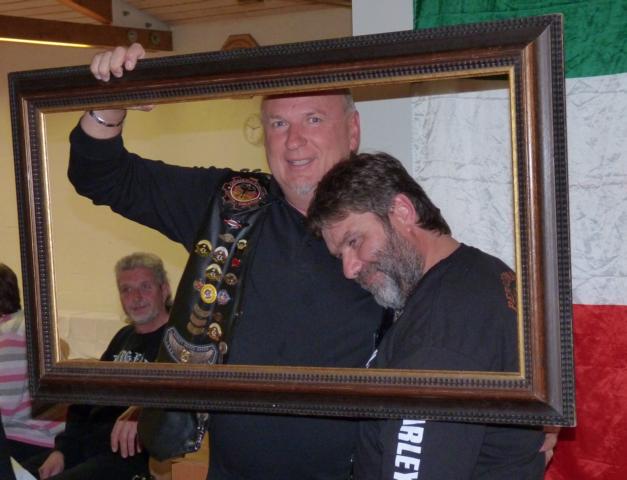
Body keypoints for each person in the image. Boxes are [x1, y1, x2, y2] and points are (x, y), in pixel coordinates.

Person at [74, 44, 554, 478]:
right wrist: (109, 101)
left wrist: (531, 409)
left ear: (353, 130)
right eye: (278, 124)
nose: (294, 141)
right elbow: (102, 175)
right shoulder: (231, 207)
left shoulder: (391, 226)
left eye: (314, 119)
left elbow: (471, 322)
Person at [307, 151, 546, 478]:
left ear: (403, 212)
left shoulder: (437, 336)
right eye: (340, 255)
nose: (349, 269)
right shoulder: (484, 272)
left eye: (355, 241)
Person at [22, 252, 172, 479]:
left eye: (145, 286)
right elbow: (86, 398)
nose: (136, 297)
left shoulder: (178, 342)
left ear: (165, 289)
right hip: (86, 449)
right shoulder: (123, 336)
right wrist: (62, 451)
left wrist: (144, 413)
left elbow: (179, 402)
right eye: (126, 289)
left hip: (130, 457)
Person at [0, 263, 65, 464]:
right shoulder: (25, 323)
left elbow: (4, 408)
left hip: (27, 438)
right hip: (34, 435)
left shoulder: (9, 336)